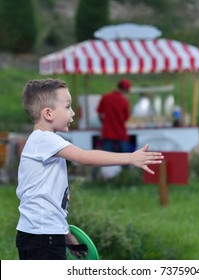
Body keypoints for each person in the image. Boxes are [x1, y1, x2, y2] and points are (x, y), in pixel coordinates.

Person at [15, 78, 163, 260]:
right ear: (48, 113)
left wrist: (66, 235)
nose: (74, 113)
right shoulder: (45, 139)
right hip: (43, 238)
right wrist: (130, 158)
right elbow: (85, 157)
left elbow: (45, 203)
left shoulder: (42, 143)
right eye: (68, 107)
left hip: (42, 234)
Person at [97, 79, 131, 153]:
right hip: (121, 131)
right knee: (125, 157)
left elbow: (99, 114)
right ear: (125, 90)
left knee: (106, 157)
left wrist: (104, 123)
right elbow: (126, 117)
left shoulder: (105, 97)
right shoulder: (124, 101)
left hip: (107, 132)